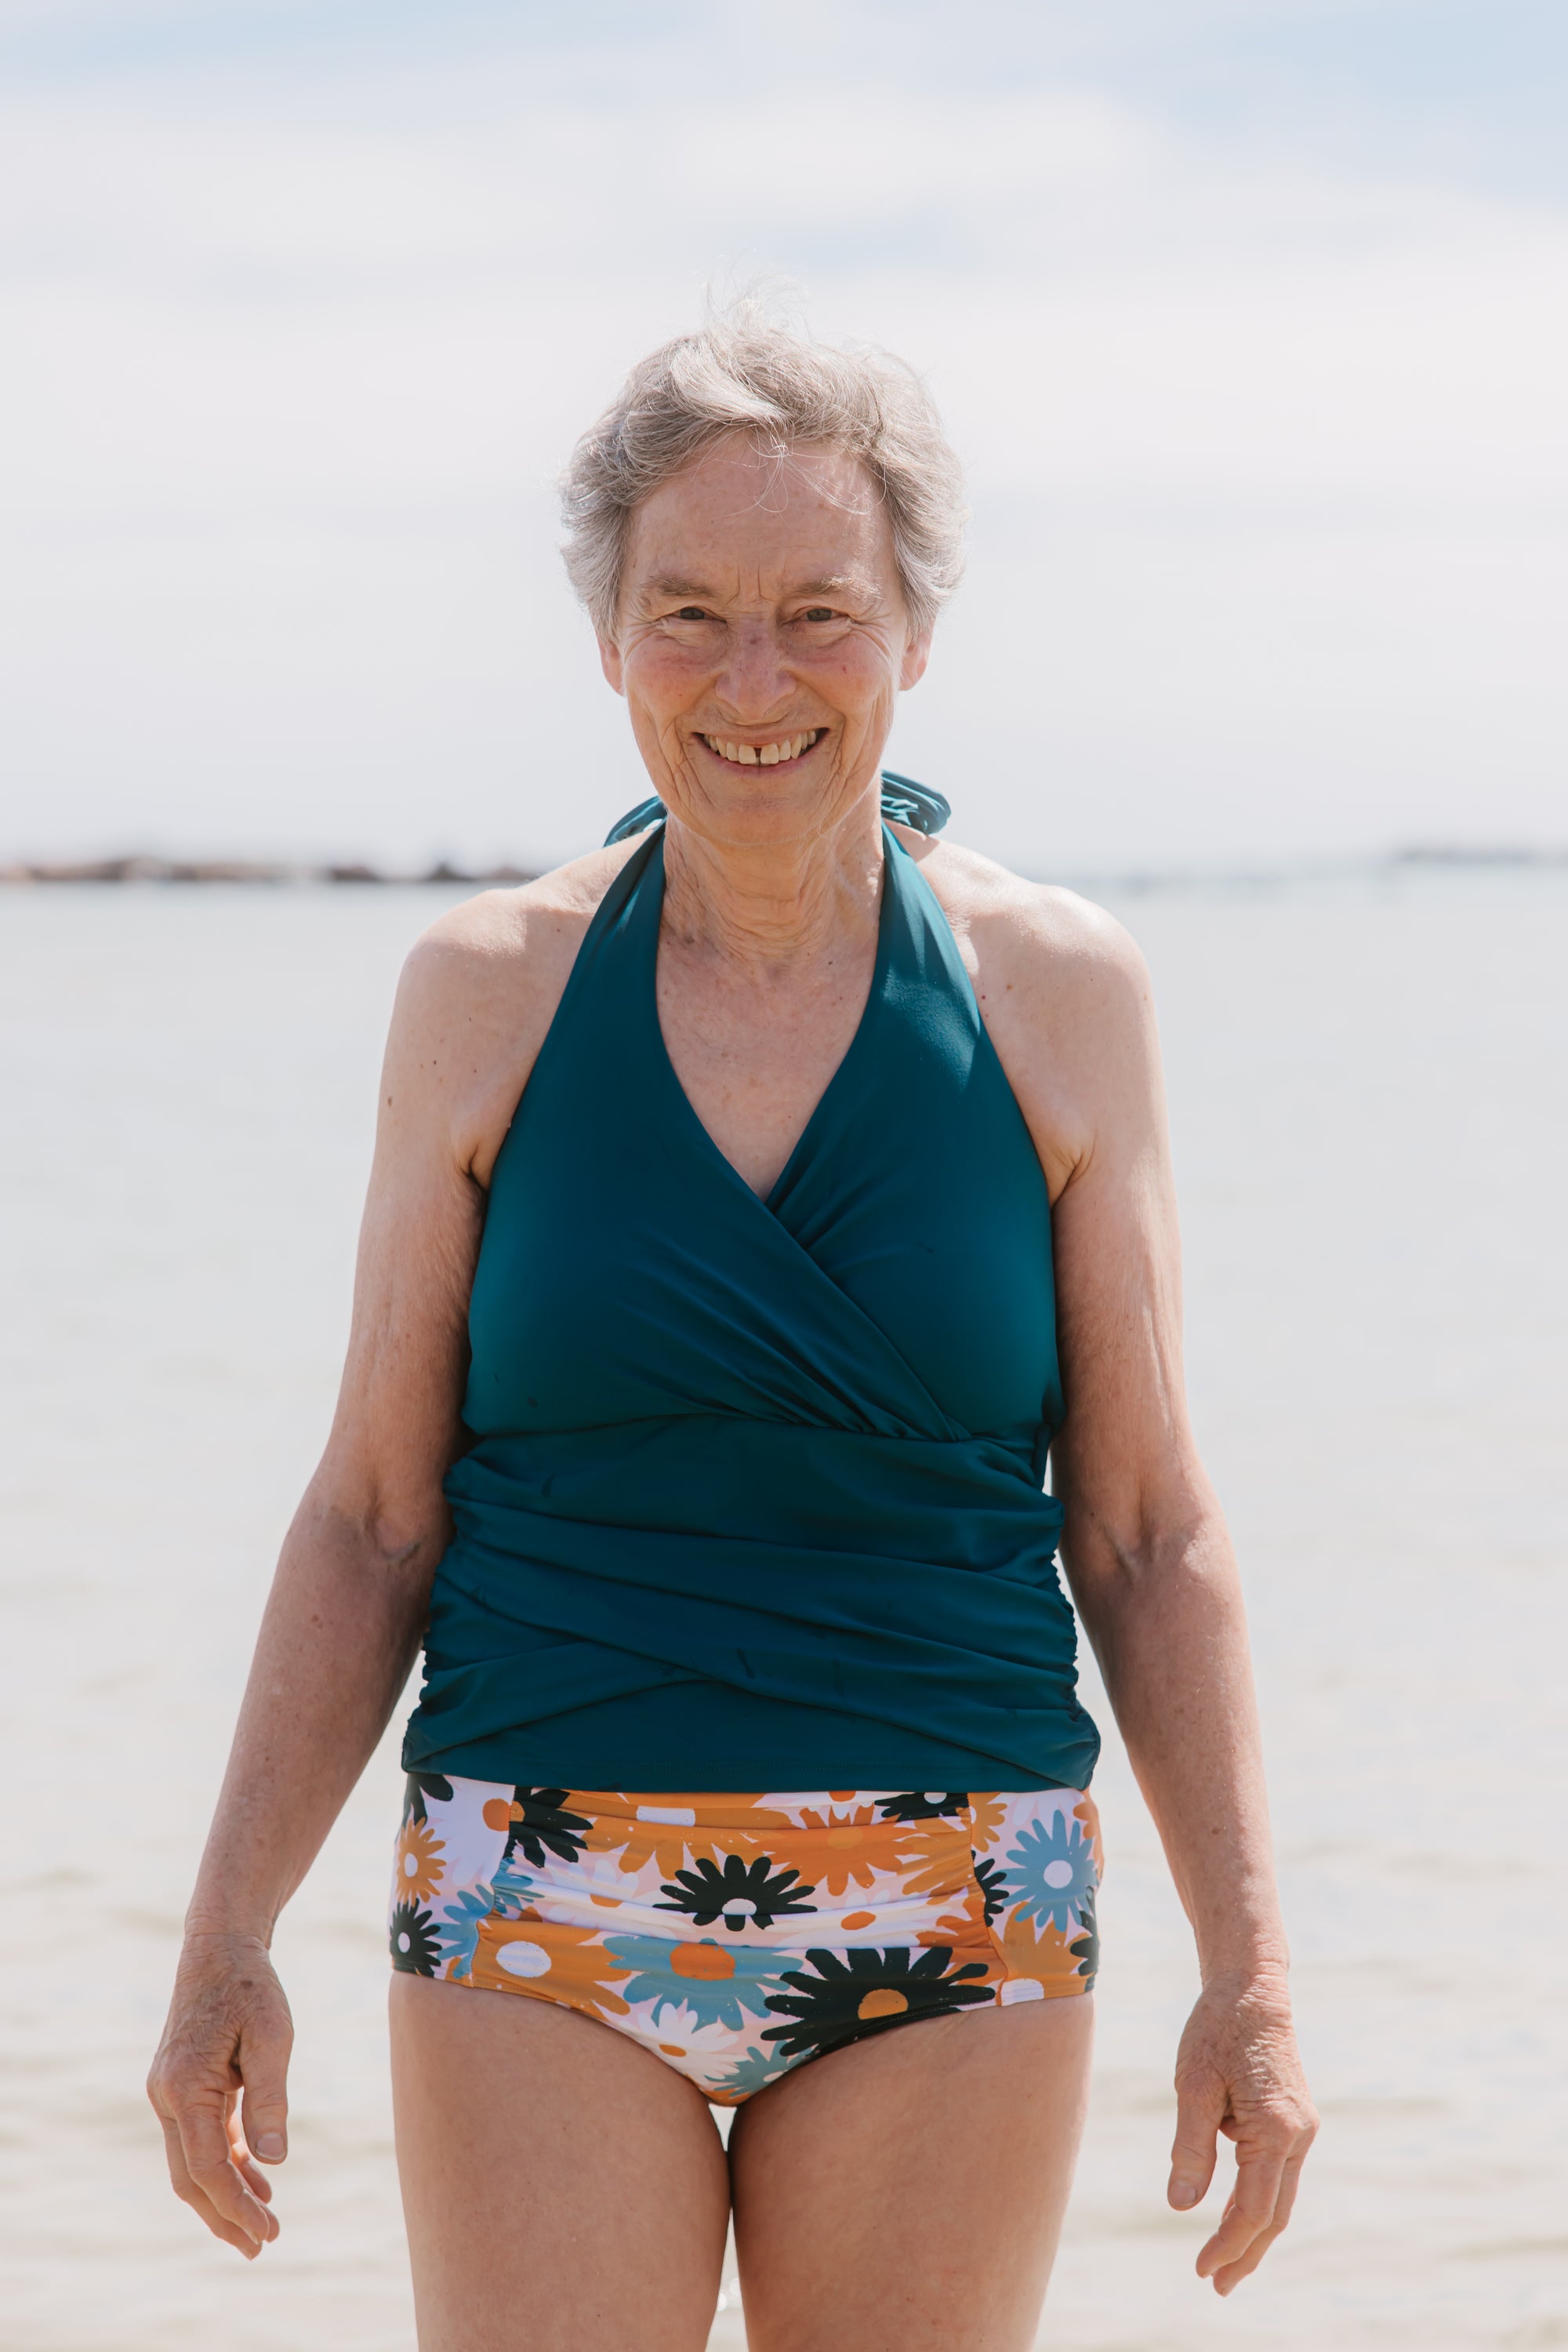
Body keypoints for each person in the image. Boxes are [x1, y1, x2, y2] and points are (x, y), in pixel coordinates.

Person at [147, 304, 1316, 2350]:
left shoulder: (1059, 997)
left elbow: (1145, 1529)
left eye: (819, 614)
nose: (754, 680)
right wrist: (224, 1933)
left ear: (914, 640)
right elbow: (370, 1518)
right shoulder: (486, 995)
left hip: (954, 1892)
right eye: (689, 613)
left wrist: (1257, 1970)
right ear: (609, 638)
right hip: (535, 1880)